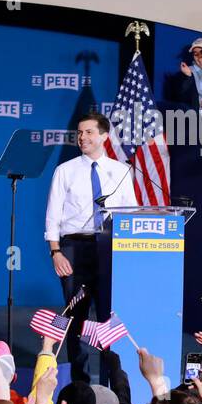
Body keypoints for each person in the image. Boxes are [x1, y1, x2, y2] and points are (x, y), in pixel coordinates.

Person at [44, 112, 136, 384]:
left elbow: (130, 213)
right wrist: (55, 251)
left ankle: (113, 384)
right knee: (77, 319)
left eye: (88, 132)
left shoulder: (121, 171)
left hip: (110, 249)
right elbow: (53, 215)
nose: (82, 137)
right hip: (75, 249)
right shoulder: (65, 170)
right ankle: (81, 386)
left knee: (111, 319)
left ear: (104, 136)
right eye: (79, 133)